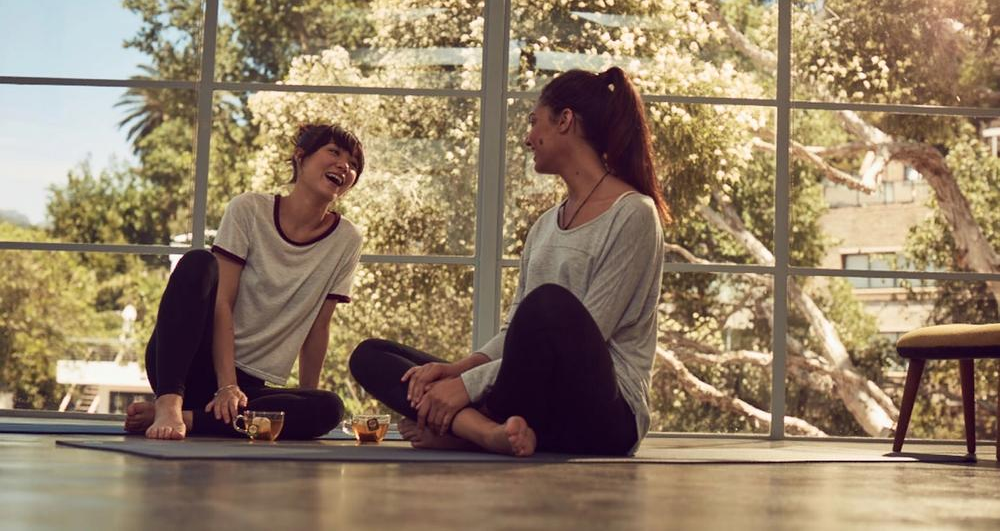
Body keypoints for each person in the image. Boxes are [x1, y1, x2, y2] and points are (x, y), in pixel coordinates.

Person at [350, 67, 667, 457]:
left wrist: (465, 387)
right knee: (371, 356)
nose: (527, 137)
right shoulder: (544, 226)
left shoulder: (633, 214)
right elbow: (515, 333)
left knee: (548, 305)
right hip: (536, 413)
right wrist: (456, 372)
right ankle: (486, 433)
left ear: (564, 120)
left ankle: (466, 429)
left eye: (534, 122)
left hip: (603, 417)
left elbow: (589, 332)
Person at [124, 124, 365, 440]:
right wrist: (226, 385)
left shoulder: (346, 239)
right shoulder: (249, 209)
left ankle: (191, 419)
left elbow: (319, 328)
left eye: (354, 164)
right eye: (334, 152)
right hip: (189, 365)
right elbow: (223, 302)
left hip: (249, 388)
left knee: (329, 408)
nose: (344, 166)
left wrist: (307, 400)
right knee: (198, 262)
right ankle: (168, 404)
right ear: (301, 157)